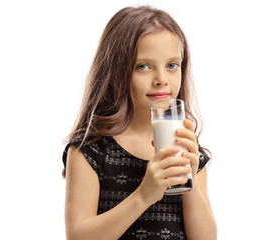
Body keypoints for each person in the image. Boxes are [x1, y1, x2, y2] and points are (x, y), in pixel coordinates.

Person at [62, 6, 217, 240]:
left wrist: (191, 177)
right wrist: (144, 195)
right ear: (116, 72)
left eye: (172, 65)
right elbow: (78, 236)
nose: (161, 80)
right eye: (143, 66)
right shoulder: (90, 149)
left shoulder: (188, 145)